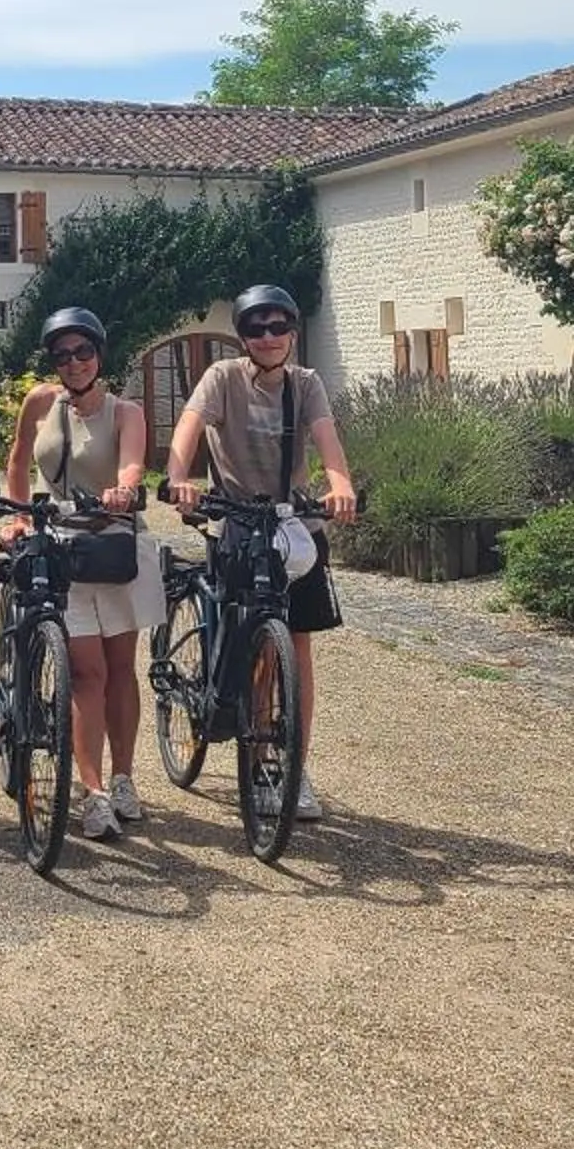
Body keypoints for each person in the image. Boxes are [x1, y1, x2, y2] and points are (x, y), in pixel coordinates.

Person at [162, 282, 358, 823]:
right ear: (243, 336)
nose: (268, 337)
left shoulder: (306, 384)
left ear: (292, 332)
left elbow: (328, 443)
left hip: (292, 525)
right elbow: (188, 429)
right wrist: (177, 477)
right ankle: (253, 746)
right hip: (238, 523)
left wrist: (340, 485)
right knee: (248, 645)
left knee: (297, 647)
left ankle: (291, 764)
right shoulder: (222, 378)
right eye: (255, 328)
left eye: (278, 327)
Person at [0, 306, 162, 841]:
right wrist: (18, 516)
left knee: (121, 668)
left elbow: (133, 462)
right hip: (62, 546)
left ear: (99, 354)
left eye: (83, 351)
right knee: (87, 671)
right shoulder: (39, 402)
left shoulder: (125, 412)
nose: (73, 363)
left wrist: (124, 488)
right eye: (62, 355)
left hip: (114, 546)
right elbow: (18, 460)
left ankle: (123, 777)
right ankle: (92, 793)